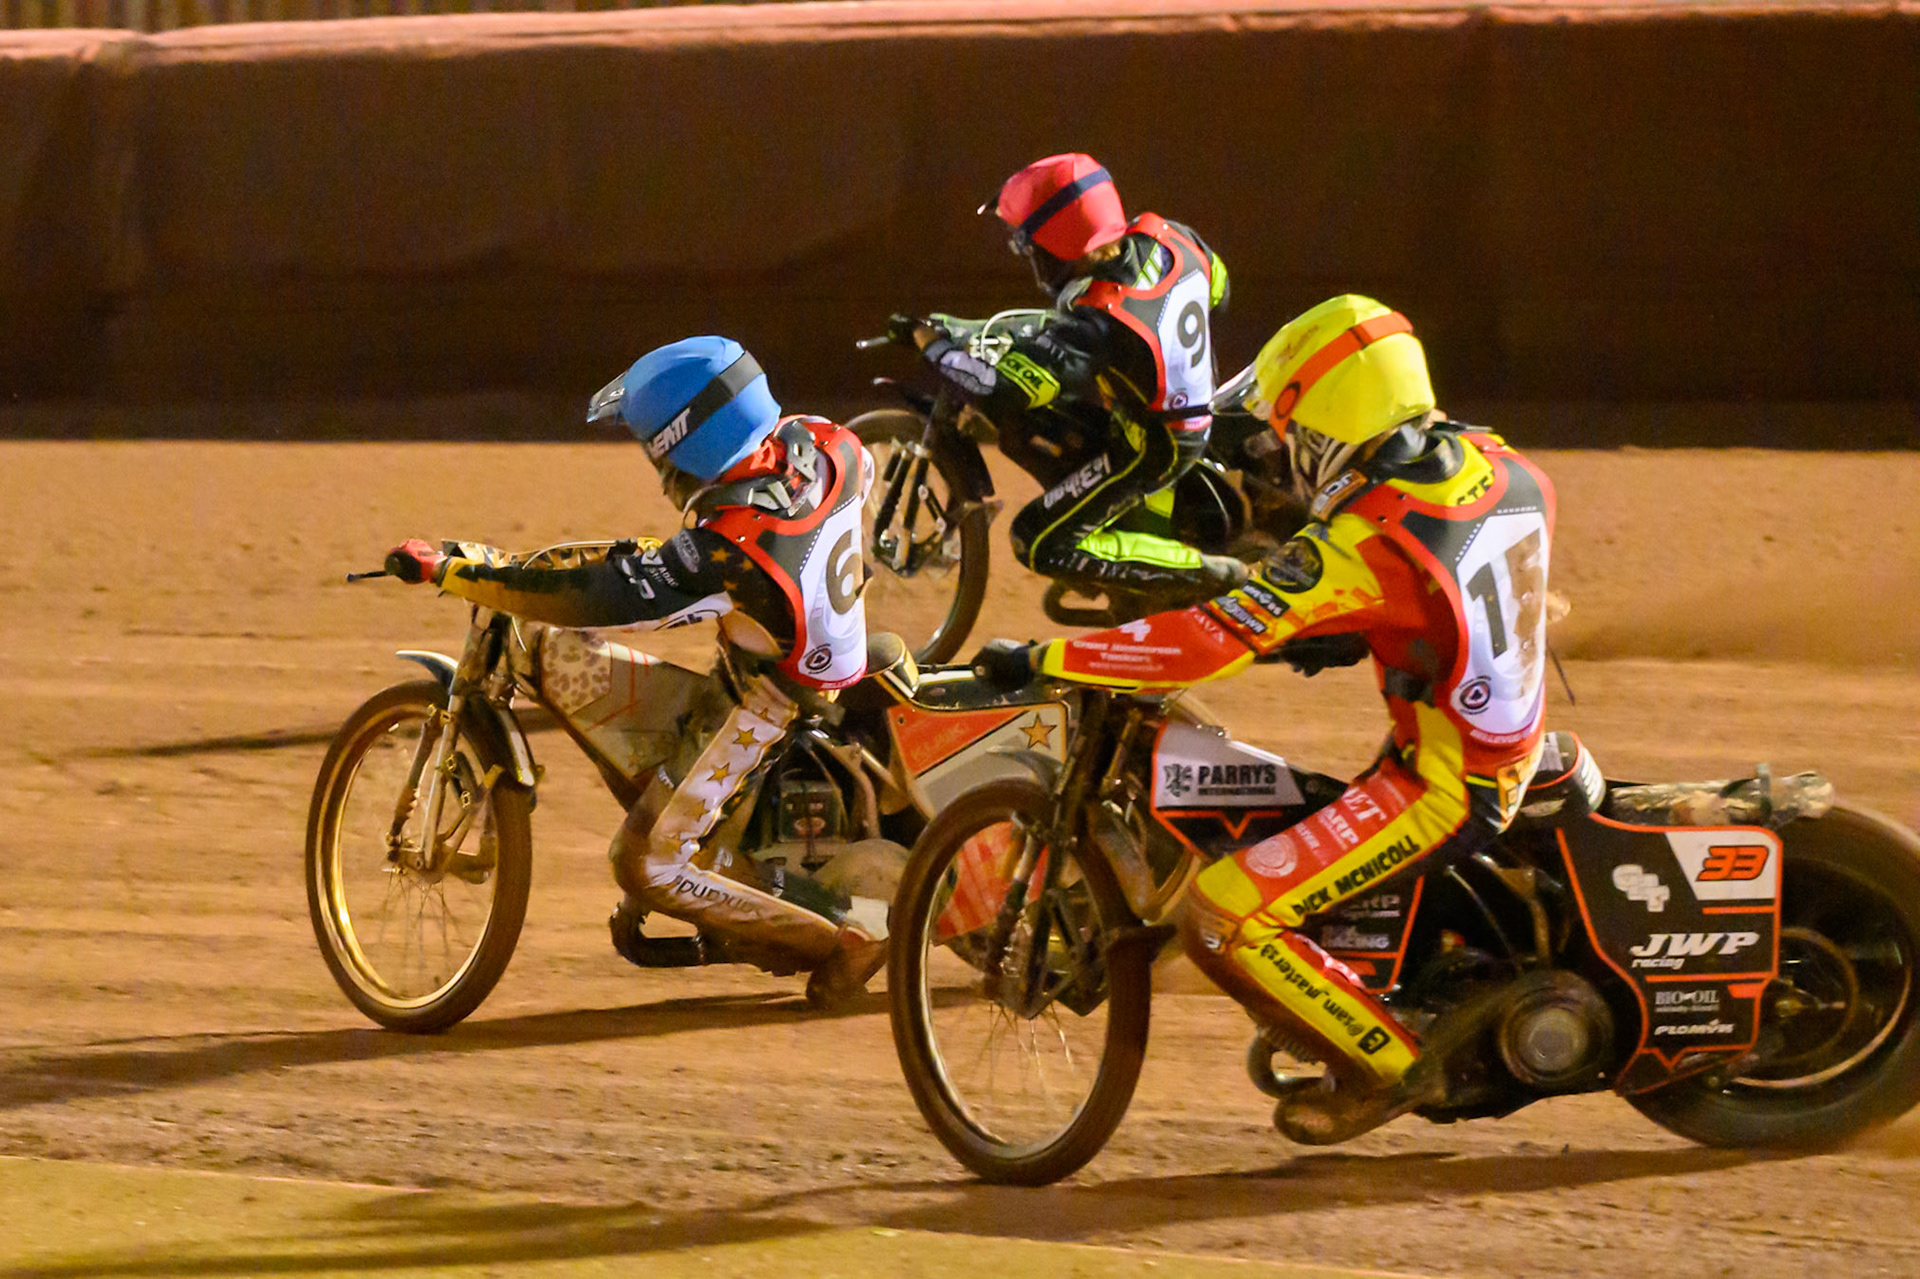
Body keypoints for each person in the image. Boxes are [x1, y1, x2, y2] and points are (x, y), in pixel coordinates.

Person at [972, 296, 1558, 1142]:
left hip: (1445, 783)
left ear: (1331, 425)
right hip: (1500, 733)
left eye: (1293, 431)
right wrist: (1368, 629)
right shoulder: (1491, 459)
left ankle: (1390, 1067)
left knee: (1223, 914)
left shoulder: (1366, 539)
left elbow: (1198, 648)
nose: (1286, 452)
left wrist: (1040, 658)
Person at [383, 336, 887, 1007]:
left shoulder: (727, 549)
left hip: (766, 702)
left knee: (642, 860)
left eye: (656, 445)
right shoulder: (826, 442)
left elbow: (604, 598)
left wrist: (460, 571)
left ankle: (853, 931)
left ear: (688, 444)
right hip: (816, 653)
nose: (656, 463)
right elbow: (860, 482)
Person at [904, 152, 1245, 604]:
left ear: (1056, 245)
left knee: (1037, 541)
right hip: (1194, 400)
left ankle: (1214, 575)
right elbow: (1218, 290)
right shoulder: (1170, 236)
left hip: (1155, 446)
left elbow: (999, 392)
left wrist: (935, 347)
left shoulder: (1097, 322)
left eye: (1030, 246)